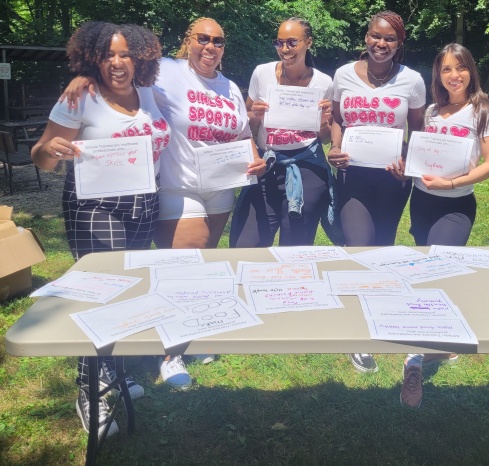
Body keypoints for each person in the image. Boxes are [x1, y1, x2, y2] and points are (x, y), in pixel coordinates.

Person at [61, 18, 266, 391]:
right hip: (177, 185)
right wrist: (86, 78)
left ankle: (188, 332)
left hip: (221, 188)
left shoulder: (231, 87)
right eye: (202, 38)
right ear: (187, 41)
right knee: (179, 268)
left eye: (218, 41)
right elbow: (119, 73)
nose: (210, 46)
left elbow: (242, 132)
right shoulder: (167, 72)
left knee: (202, 264)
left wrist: (254, 157)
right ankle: (169, 353)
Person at [32, 21, 169, 438]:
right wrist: (49, 152)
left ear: (139, 57)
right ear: (93, 58)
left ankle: (115, 370)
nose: (117, 62)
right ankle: (89, 391)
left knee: (128, 290)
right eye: (108, 54)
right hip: (96, 206)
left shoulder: (148, 94)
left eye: (125, 53)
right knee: (100, 294)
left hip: (144, 203)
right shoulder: (81, 97)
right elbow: (41, 153)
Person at [393, 43, 489, 408]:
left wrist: (453, 183)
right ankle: (441, 346)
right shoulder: (431, 112)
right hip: (422, 201)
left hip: (456, 205)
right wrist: (404, 167)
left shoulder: (485, 110)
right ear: (437, 75)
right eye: (446, 69)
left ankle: (415, 359)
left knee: (434, 272)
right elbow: (423, 155)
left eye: (460, 68)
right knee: (428, 271)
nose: (454, 75)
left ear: (471, 70)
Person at [327, 11, 426, 374]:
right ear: (366, 37)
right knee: (358, 247)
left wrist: (408, 165)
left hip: (391, 180)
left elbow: (417, 131)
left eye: (389, 40)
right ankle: (358, 336)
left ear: (399, 45)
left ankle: (381, 318)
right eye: (375, 36)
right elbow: (336, 117)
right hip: (352, 176)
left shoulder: (412, 81)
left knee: (382, 248)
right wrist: (336, 148)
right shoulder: (342, 75)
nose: (380, 44)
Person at [229, 17, 334, 247]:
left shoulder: (324, 82)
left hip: (307, 167)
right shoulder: (261, 73)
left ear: (308, 42)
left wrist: (324, 121)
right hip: (266, 164)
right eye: (279, 43)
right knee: (246, 247)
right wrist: (254, 115)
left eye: (292, 42)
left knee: (294, 249)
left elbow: (325, 138)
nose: (284, 49)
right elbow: (247, 125)